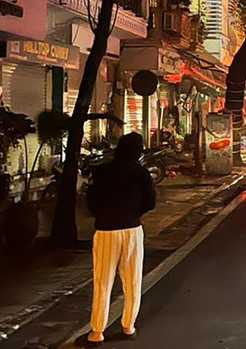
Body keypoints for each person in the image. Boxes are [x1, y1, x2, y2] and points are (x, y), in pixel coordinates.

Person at [85, 132, 156, 345]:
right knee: (132, 280)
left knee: (103, 281)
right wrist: (134, 213)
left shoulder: (103, 170)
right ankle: (128, 326)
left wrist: (102, 214)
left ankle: (97, 332)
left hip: (106, 230)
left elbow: (91, 199)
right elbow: (150, 202)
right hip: (132, 230)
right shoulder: (141, 173)